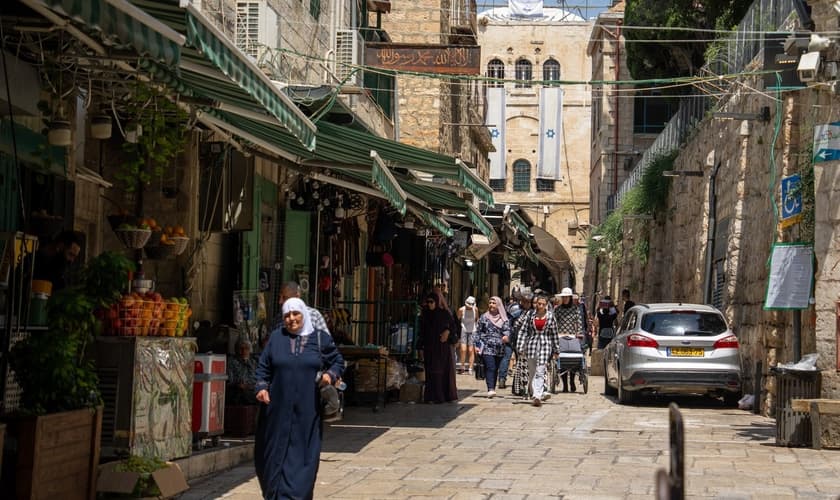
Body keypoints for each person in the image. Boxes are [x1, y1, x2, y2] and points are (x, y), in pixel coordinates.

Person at [254, 298, 344, 499]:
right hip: (275, 413)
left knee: (303, 461)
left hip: (307, 414)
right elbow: (263, 368)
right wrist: (261, 387)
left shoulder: (319, 338)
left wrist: (331, 375)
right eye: (287, 315)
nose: (291, 319)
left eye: (296, 314)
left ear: (304, 314)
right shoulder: (276, 338)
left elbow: (338, 361)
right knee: (268, 459)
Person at [516, 295, 560, 407]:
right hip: (532, 345)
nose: (540, 306)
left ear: (546, 305)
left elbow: (554, 334)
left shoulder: (550, 317)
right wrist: (520, 346)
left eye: (542, 304)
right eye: (538, 303)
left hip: (545, 345)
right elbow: (523, 331)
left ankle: (537, 396)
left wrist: (556, 350)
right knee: (532, 371)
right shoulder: (530, 315)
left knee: (540, 370)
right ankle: (533, 391)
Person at [417, 291, 458, 404]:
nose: (429, 304)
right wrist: (420, 347)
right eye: (428, 302)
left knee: (440, 371)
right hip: (429, 348)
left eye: (432, 302)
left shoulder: (444, 313)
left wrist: (447, 332)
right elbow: (422, 332)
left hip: (441, 348)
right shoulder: (425, 315)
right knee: (430, 373)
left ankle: (441, 396)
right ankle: (431, 397)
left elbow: (453, 326)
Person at [473, 296, 511, 398]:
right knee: (490, 367)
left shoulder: (504, 319)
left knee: (495, 368)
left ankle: (492, 387)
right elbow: (478, 331)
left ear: (498, 305)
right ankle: (490, 388)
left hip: (499, 348)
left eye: (494, 303)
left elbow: (507, 330)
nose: (491, 305)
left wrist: (506, 336)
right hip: (487, 347)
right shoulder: (484, 317)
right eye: (490, 303)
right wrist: (477, 345)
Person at [501, 291, 533, 391]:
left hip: (525, 340)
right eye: (525, 301)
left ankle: (519, 384)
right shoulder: (515, 309)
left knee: (521, 362)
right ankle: (502, 379)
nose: (526, 303)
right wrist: (507, 334)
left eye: (528, 302)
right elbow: (508, 323)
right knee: (507, 357)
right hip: (513, 337)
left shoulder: (533, 311)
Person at [227, 338, 258, 405]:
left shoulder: (253, 362)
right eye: (241, 349)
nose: (244, 351)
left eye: (246, 348)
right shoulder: (232, 362)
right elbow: (230, 381)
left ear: (250, 350)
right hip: (238, 391)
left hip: (252, 389)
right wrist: (238, 384)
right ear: (236, 350)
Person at [456, 296, 478, 374]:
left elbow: (476, 319)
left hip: (473, 330)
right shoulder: (461, 310)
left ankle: (470, 368)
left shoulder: (475, 309)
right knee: (463, 349)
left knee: (471, 350)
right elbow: (457, 320)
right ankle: (462, 366)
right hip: (464, 329)